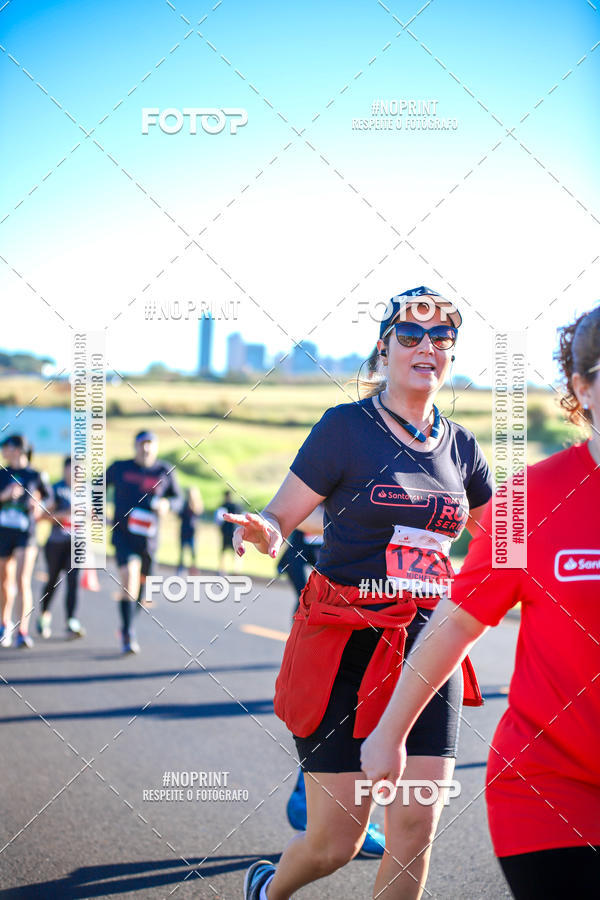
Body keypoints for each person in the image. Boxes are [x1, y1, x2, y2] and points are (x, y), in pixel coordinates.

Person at [229, 286, 494, 900]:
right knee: (335, 843)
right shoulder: (345, 428)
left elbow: (498, 542)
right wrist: (263, 530)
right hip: (344, 646)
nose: (426, 347)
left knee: (413, 827)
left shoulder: (461, 447)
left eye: (441, 338)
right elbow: (281, 515)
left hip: (430, 646)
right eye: (410, 335)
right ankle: (269, 889)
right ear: (384, 348)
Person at [361, 305, 600, 899]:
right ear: (582, 388)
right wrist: (390, 732)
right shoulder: (531, 502)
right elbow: (455, 624)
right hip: (553, 788)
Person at [106, 430, 182, 654]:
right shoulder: (120, 467)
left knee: (142, 589)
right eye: (142, 444)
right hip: (123, 536)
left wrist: (168, 506)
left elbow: (178, 499)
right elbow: (96, 487)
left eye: (150, 444)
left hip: (149, 540)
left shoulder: (164, 470)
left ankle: (127, 624)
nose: (146, 448)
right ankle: (129, 634)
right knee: (129, 578)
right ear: (135, 446)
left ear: (156, 447)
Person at [0, 435, 50, 648]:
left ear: (19, 450)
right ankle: (4, 623)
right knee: (4, 581)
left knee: (22, 580)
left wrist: (38, 503)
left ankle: (22, 629)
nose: (4, 452)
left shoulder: (36, 475)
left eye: (8, 448)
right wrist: (5, 496)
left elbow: (50, 500)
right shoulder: (2, 474)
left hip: (26, 534)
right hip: (3, 532)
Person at [37, 455, 85, 639]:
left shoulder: (86, 491)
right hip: (57, 542)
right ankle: (44, 614)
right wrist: (64, 514)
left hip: (78, 543)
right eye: (72, 468)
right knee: (53, 580)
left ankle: (71, 620)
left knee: (74, 582)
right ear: (65, 469)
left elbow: (95, 515)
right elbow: (42, 516)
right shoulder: (55, 489)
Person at [177, 487, 203, 573]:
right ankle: (181, 569)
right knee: (183, 553)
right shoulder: (184, 504)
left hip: (191, 532)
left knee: (192, 553)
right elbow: (180, 515)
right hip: (185, 531)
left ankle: (192, 569)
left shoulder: (196, 506)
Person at [215, 490, 241, 574]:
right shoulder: (237, 506)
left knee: (223, 552)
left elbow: (218, 520)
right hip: (234, 532)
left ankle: (221, 569)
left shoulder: (223, 506)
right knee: (235, 552)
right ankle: (236, 570)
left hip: (226, 532)